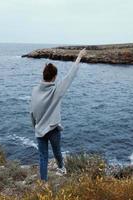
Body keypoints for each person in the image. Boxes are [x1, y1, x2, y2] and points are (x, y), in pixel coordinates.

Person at [30, 48, 87, 181]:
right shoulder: (56, 91)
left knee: (42, 157)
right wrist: (79, 56)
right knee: (57, 152)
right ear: (54, 77)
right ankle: (61, 168)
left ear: (43, 76)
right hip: (53, 129)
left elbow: (31, 112)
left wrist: (35, 127)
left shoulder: (34, 91)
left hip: (39, 129)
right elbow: (70, 76)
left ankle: (43, 182)